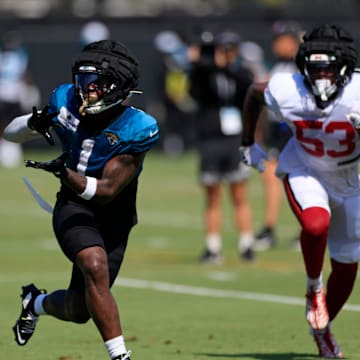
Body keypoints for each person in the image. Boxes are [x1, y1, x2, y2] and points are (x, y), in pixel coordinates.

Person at [4, 39, 159, 360]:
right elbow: (10, 133)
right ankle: (120, 356)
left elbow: (105, 191)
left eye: (97, 84)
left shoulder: (137, 127)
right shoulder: (64, 100)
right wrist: (34, 123)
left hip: (114, 214)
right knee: (94, 264)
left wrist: (65, 172)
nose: (86, 89)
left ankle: (35, 303)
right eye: (83, 80)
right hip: (73, 207)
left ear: (118, 87)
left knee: (79, 309)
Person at [240, 24, 359, 358]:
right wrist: (248, 142)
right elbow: (253, 93)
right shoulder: (287, 87)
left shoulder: (358, 91)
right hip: (304, 170)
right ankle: (313, 286)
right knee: (315, 224)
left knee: (348, 267)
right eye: (316, 68)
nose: (322, 75)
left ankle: (321, 331)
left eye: (329, 68)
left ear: (344, 68)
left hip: (349, 180)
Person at [188, 30, 256, 263]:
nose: (228, 54)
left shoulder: (239, 73)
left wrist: (227, 67)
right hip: (210, 139)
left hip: (233, 140)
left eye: (231, 49)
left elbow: (247, 90)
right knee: (213, 195)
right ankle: (213, 247)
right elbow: (195, 91)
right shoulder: (203, 74)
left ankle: (247, 243)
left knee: (239, 193)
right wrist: (202, 63)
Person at [253, 21, 302, 250]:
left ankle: (306, 228)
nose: (279, 45)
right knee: (270, 177)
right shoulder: (274, 68)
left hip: (296, 130)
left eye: (284, 40)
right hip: (276, 130)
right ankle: (269, 228)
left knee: (300, 180)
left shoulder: (302, 68)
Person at [0, 30, 40, 168]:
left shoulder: (16, 57)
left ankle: (10, 150)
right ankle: (7, 150)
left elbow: (24, 75)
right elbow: (24, 75)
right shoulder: (18, 57)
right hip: (9, 94)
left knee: (10, 122)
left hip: (10, 94)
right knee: (9, 122)